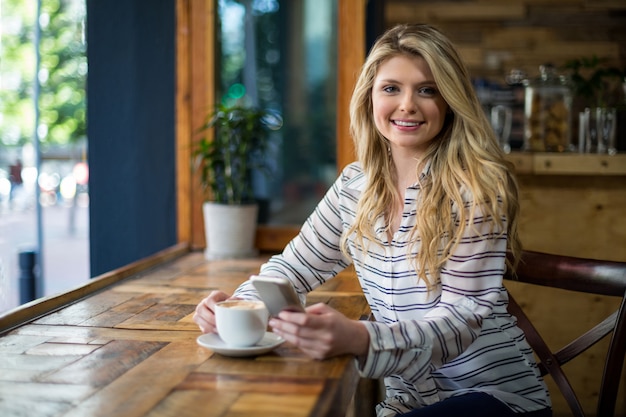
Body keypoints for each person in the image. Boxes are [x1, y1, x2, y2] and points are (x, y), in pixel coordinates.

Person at [194, 23, 552, 417]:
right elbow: (290, 267)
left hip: (495, 400)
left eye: (427, 90)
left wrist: (360, 338)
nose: (407, 105)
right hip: (408, 404)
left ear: (450, 101)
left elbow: (461, 320)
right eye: (391, 88)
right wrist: (237, 307)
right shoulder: (354, 185)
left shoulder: (476, 188)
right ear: (369, 97)